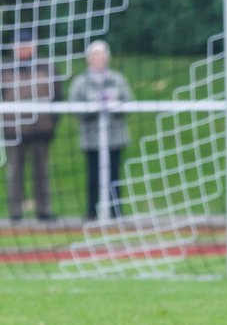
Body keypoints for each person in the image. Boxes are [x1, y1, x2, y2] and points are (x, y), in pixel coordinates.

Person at [68, 40, 133, 221]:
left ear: (107, 57)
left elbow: (129, 102)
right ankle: (92, 211)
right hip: (92, 137)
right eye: (94, 56)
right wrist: (91, 110)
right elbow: (74, 107)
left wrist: (115, 106)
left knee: (114, 174)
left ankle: (116, 211)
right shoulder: (81, 82)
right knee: (93, 175)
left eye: (101, 55)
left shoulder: (117, 79)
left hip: (114, 136)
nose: (98, 59)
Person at [2, 29, 61, 222]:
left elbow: (58, 97)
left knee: (41, 172)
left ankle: (44, 210)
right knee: (14, 172)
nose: (24, 49)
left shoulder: (46, 67)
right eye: (20, 46)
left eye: (27, 45)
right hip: (14, 129)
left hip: (40, 129)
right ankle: (16, 211)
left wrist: (51, 123)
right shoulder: (5, 69)